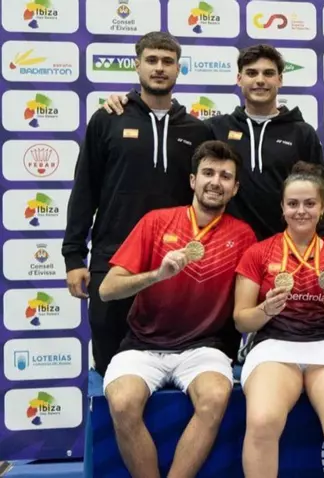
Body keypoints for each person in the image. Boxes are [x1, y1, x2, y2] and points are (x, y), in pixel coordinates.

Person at [98, 141, 256, 477]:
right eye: (208, 173)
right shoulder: (156, 222)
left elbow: (248, 303)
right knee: (122, 402)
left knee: (215, 397)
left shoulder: (244, 236)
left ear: (235, 188)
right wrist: (157, 275)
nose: (216, 182)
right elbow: (107, 290)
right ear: (192, 180)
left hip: (204, 348)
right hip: (142, 346)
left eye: (225, 176)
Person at [63, 31, 212, 376]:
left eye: (168, 61)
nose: (159, 68)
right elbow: (85, 189)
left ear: (178, 69)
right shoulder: (108, 119)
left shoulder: (198, 130)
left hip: (175, 263)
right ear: (137, 65)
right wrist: (73, 256)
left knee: (174, 368)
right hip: (113, 259)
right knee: (110, 368)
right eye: (151, 60)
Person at [100, 44, 324, 243]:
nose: (260, 80)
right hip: (224, 246)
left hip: (286, 248)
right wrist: (130, 104)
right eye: (251, 73)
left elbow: (320, 193)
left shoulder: (302, 133)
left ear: (280, 80)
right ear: (239, 79)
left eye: (268, 73)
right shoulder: (213, 129)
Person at [234, 162, 324, 478]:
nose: (301, 211)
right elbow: (241, 321)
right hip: (273, 346)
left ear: (323, 208)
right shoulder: (258, 253)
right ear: (282, 208)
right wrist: (266, 310)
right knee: (262, 421)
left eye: (309, 203)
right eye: (293, 204)